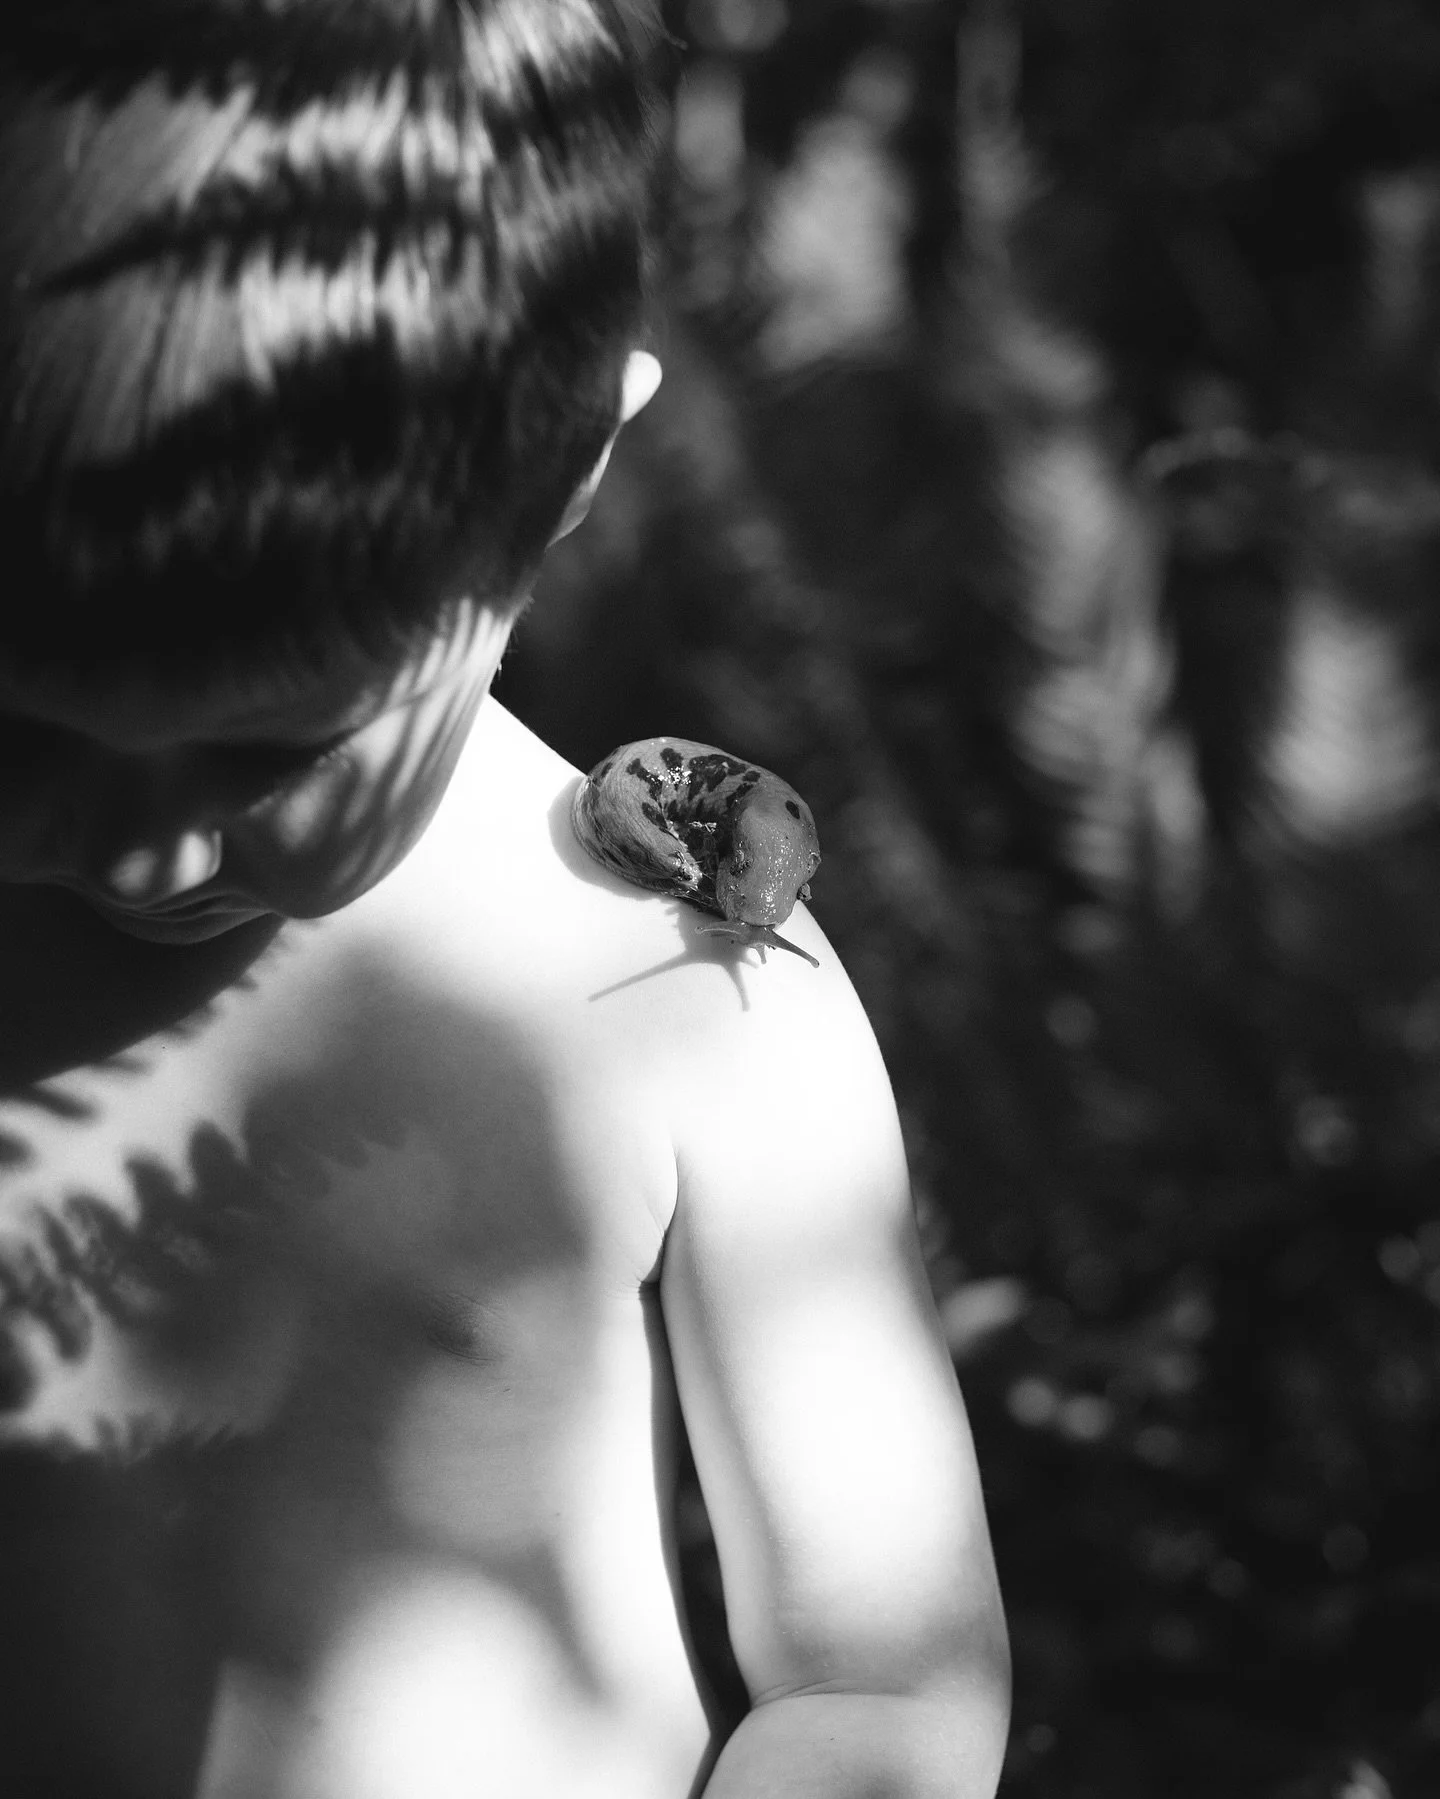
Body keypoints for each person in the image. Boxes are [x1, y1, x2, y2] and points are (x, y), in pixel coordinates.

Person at [0, 4, 1010, 1796]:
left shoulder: (678, 992)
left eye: (268, 749)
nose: (142, 853)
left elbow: (883, 1680)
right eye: (24, 732)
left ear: (563, 476)